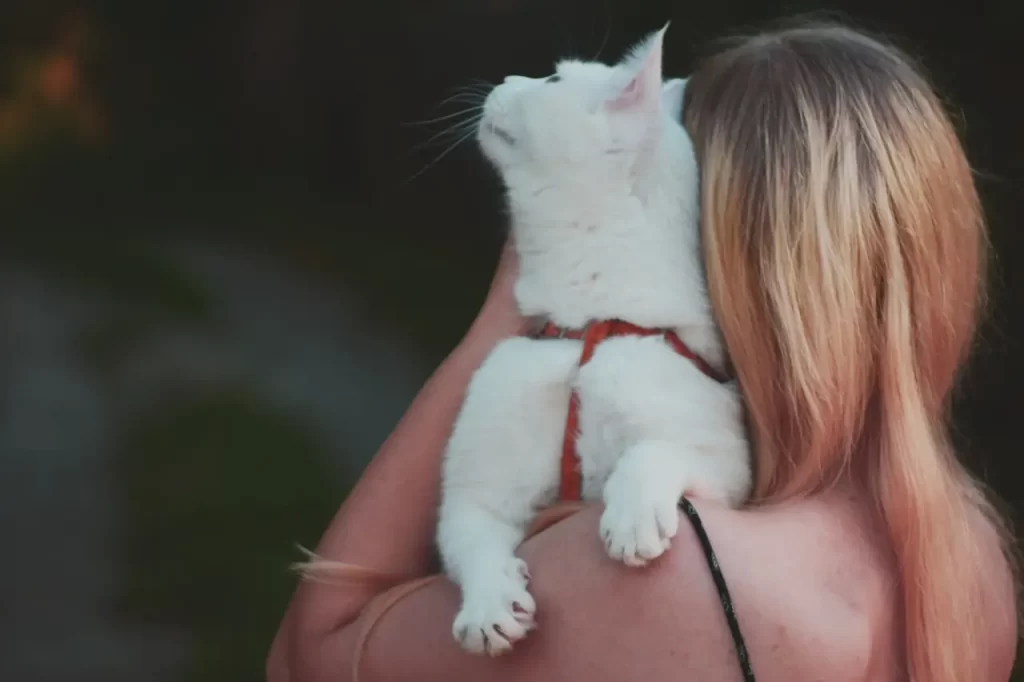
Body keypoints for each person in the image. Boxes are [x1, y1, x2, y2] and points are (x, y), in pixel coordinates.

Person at [267, 23, 1019, 682]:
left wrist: (527, 291)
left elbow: (311, 652)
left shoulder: (669, 569)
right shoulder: (970, 564)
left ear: (722, 255)